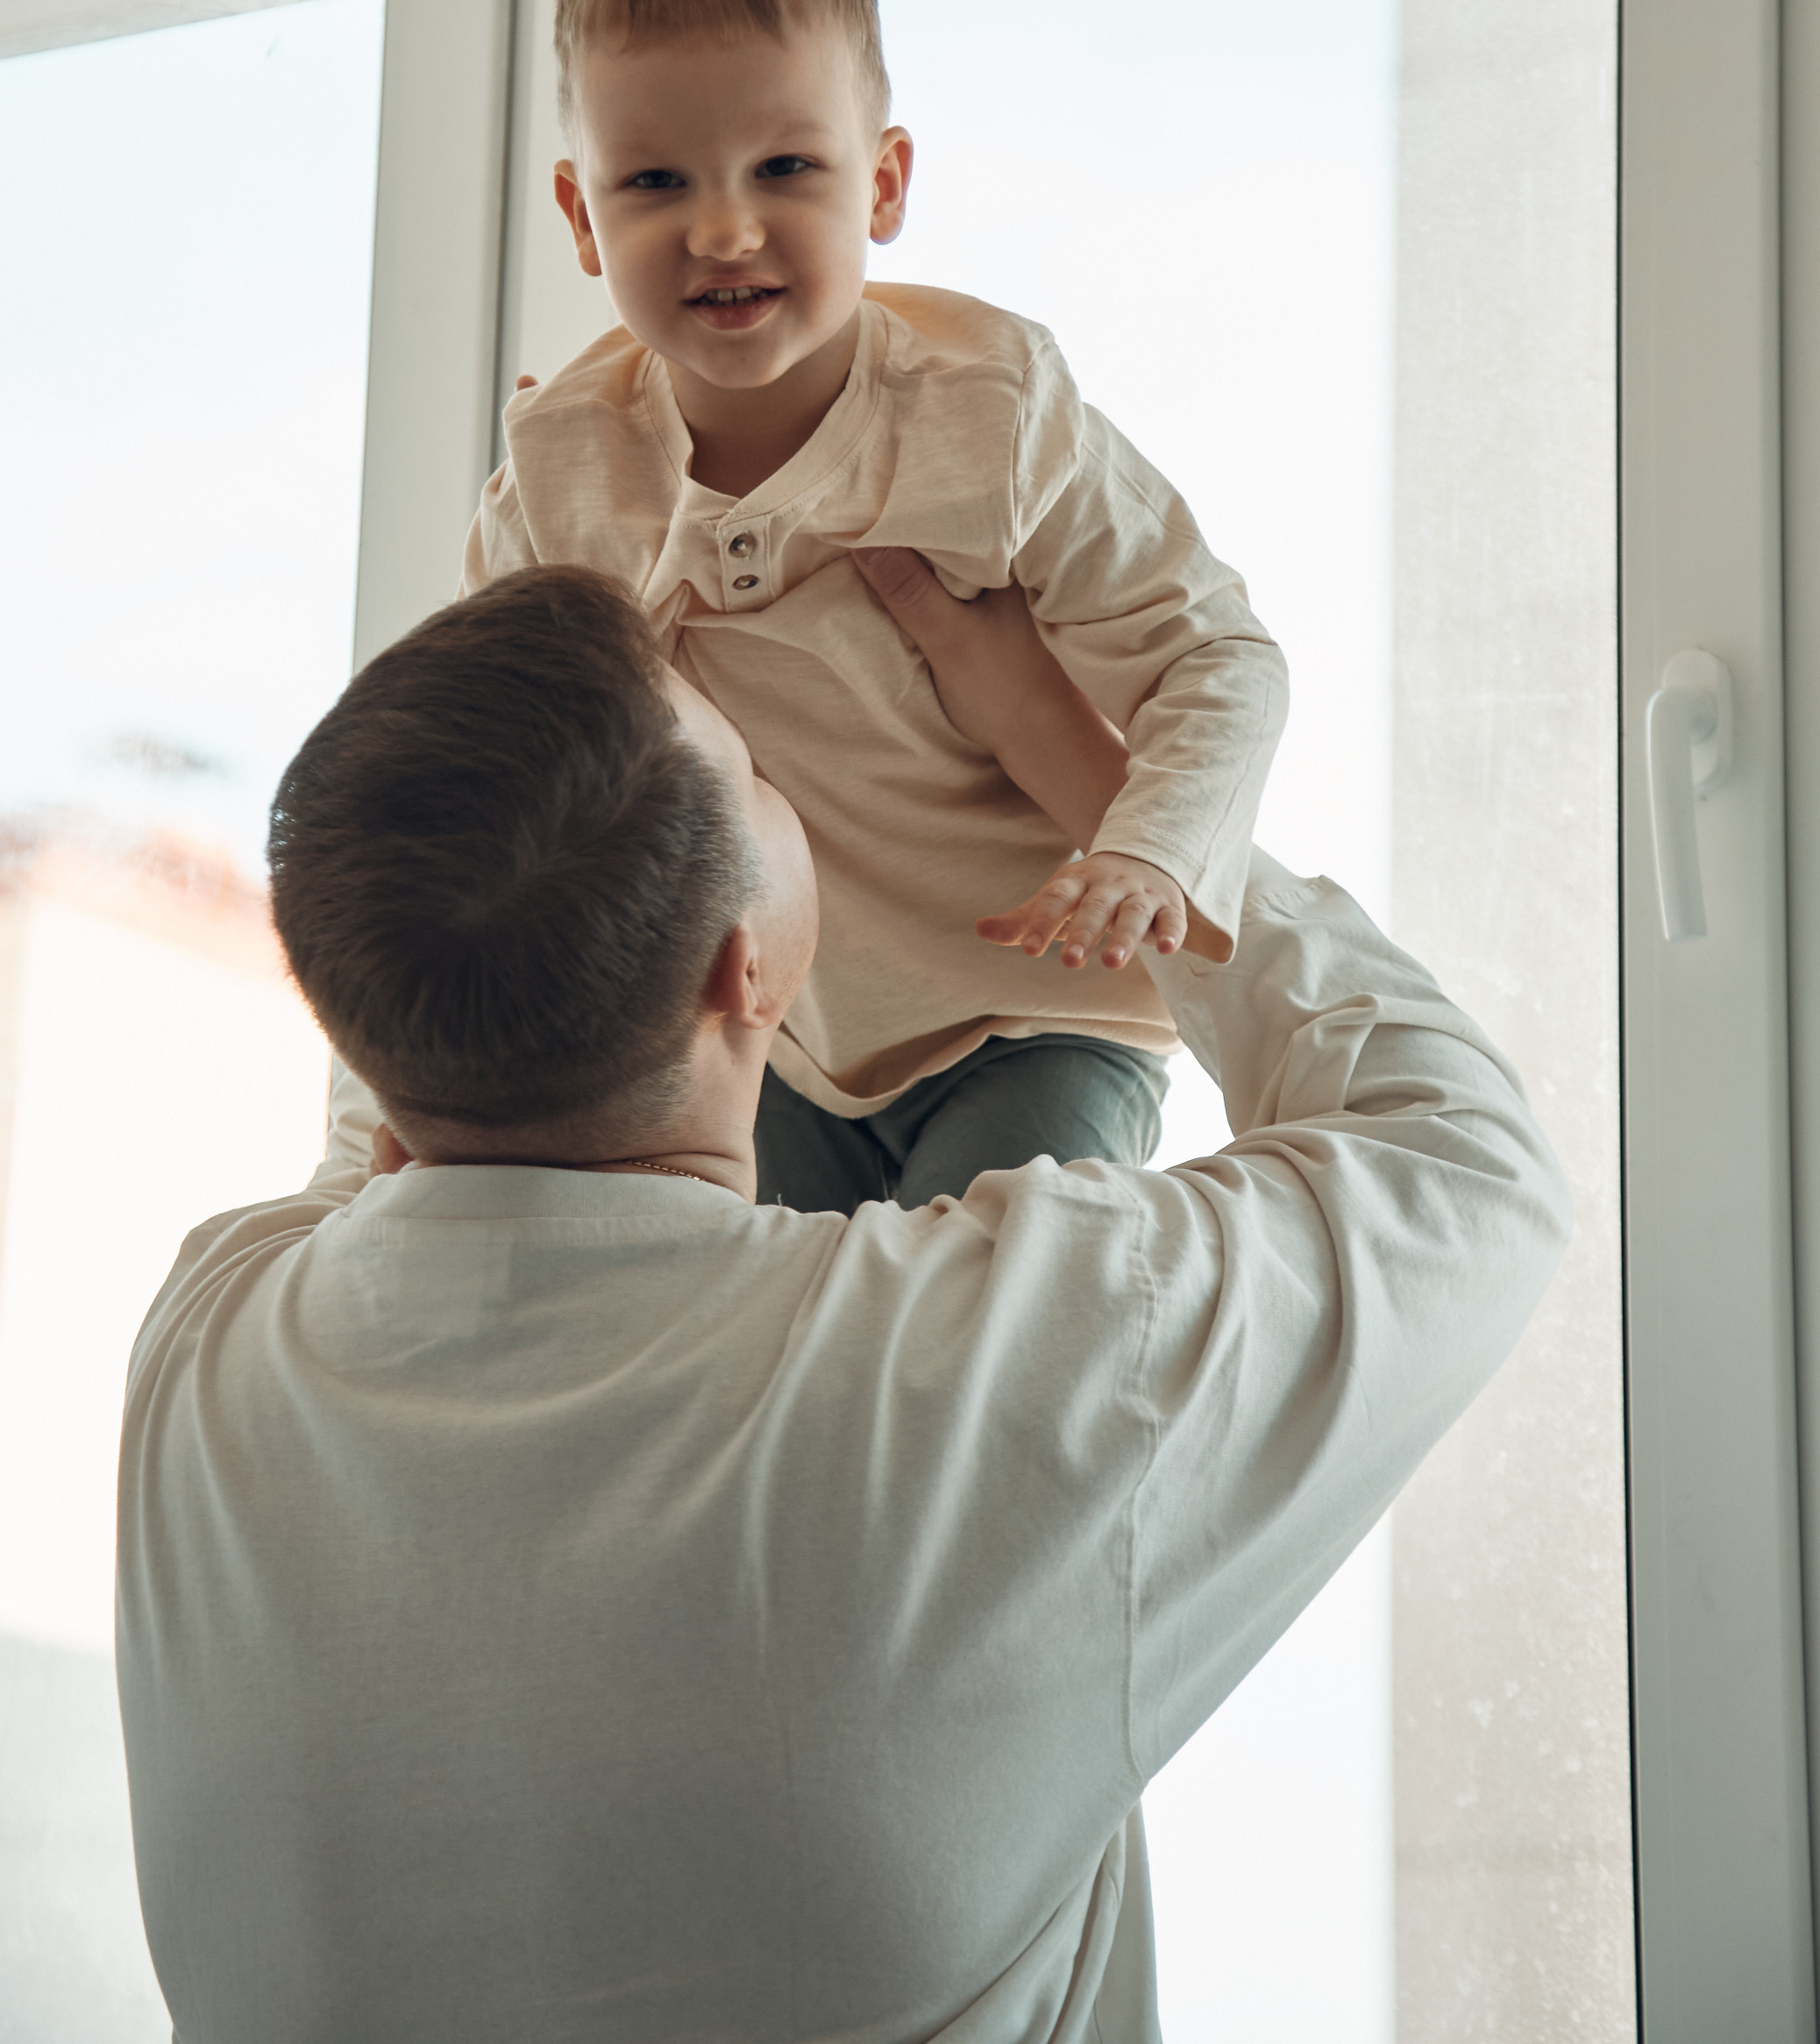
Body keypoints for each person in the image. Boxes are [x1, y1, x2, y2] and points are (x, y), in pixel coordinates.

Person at [117, 555, 1568, 2044]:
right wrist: (1106, 786)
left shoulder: (211, 1340)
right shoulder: (1013, 1362)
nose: (775, 761)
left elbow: (397, 1075)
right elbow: (1464, 1163)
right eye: (751, 765)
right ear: (747, 970)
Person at [458, 0, 1289, 1211]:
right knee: (778, 1355)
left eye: (785, 167)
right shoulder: (560, 476)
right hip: (776, 1040)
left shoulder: (992, 410)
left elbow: (1221, 660)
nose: (724, 228)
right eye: (656, 181)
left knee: (980, 1300)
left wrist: (1141, 851)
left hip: (1038, 1006)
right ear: (579, 216)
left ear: (884, 182)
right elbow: (499, 768)